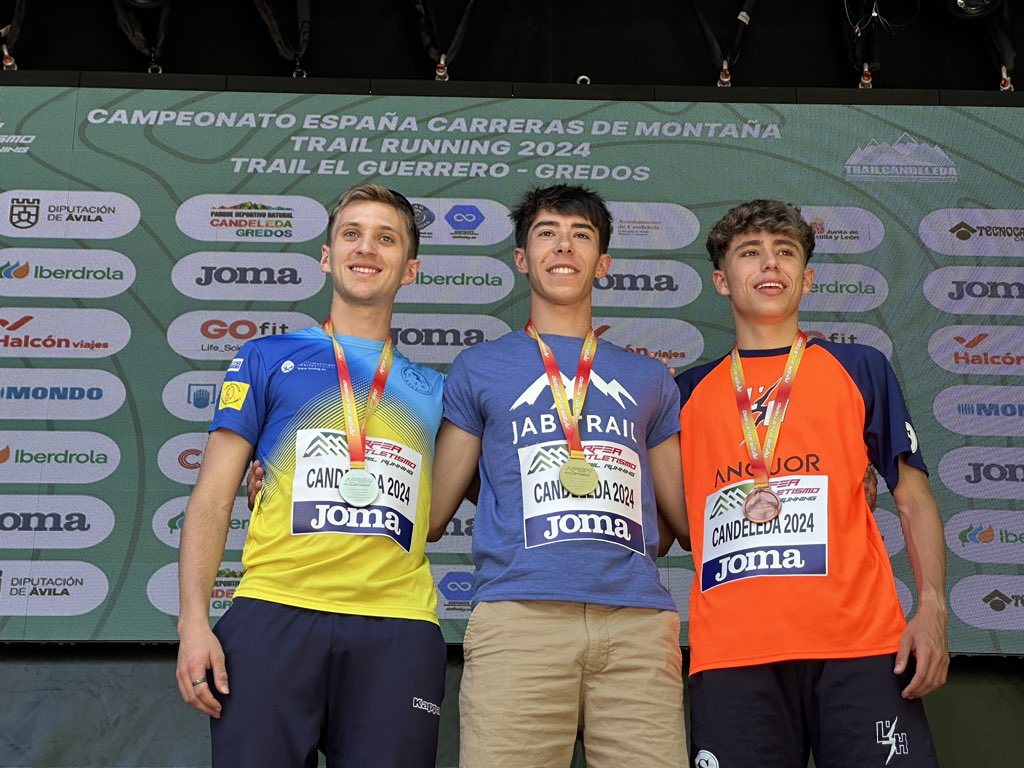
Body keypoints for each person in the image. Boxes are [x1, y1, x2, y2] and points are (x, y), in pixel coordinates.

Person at [175, 184, 447, 768]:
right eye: (351, 234)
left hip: (397, 625)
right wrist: (194, 623)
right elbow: (213, 497)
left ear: (411, 269)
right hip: (275, 611)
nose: (365, 248)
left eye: (386, 238)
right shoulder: (266, 358)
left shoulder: (437, 390)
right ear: (327, 257)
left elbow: (458, 504)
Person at [675, 199, 948, 767]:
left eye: (785, 253)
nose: (770, 265)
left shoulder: (859, 367)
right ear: (722, 281)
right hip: (732, 657)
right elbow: (663, 521)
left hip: (862, 650)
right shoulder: (683, 392)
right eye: (750, 253)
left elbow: (912, 496)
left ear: (807, 277)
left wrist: (933, 610)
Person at [428, 184, 690, 767]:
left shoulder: (650, 379)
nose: (563, 247)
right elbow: (431, 513)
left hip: (637, 627)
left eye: (581, 235)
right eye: (546, 233)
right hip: (519, 621)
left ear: (604, 262)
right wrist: (289, 470)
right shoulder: (479, 367)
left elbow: (688, 524)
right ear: (522, 258)